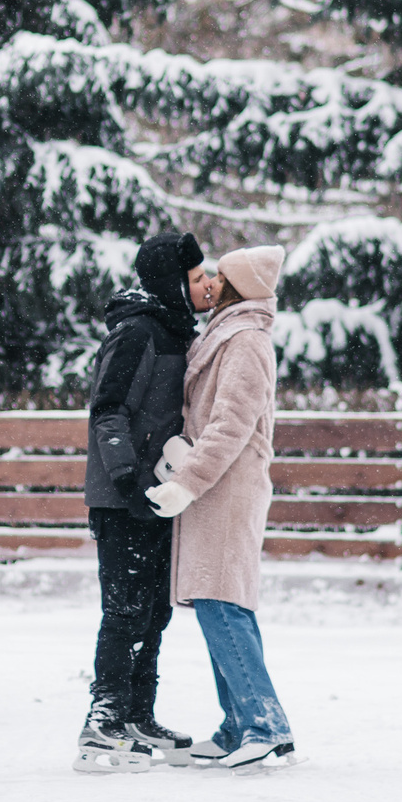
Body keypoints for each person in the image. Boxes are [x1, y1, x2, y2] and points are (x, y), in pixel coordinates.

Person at [74, 231, 221, 773]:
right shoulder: (137, 332)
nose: (206, 286)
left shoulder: (175, 332)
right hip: (123, 499)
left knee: (155, 610)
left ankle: (137, 715)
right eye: (197, 278)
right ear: (172, 283)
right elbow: (107, 409)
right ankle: (102, 723)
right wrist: (127, 477)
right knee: (124, 611)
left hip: (158, 494)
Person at [145, 246, 292, 770]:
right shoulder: (227, 334)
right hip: (216, 490)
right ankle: (237, 724)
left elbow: (231, 425)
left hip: (227, 490)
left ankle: (265, 726)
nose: (208, 282)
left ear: (237, 286)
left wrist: (187, 482)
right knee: (220, 600)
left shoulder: (246, 341)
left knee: (221, 602)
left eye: (217, 276)